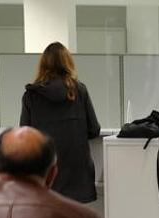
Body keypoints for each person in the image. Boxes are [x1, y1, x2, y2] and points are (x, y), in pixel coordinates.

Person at [20, 42, 101, 204]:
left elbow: (25, 136)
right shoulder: (79, 91)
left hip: (44, 175)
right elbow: (94, 129)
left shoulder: (31, 96)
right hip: (77, 177)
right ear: (68, 63)